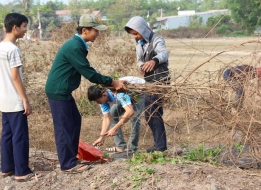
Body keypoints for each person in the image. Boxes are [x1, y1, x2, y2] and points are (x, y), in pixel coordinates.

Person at [45, 14, 126, 173]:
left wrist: (110, 82)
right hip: (58, 91)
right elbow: (89, 74)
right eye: (95, 31)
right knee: (64, 127)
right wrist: (112, 82)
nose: (97, 34)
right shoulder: (75, 47)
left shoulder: (78, 45)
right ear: (85, 30)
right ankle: (67, 165)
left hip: (64, 91)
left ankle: (71, 157)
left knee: (74, 121)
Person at [0, 13, 41, 182]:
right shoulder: (13, 49)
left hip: (3, 99)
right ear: (15, 28)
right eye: (24, 26)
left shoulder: (0, 47)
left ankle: (7, 168)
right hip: (14, 101)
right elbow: (15, 77)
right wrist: (25, 99)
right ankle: (22, 171)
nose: (25, 30)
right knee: (19, 136)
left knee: (7, 134)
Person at [124, 16, 171, 153]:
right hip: (149, 80)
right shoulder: (139, 43)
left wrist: (154, 61)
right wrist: (141, 66)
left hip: (161, 79)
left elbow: (164, 53)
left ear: (142, 29)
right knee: (151, 113)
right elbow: (139, 60)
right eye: (133, 34)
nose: (136, 37)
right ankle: (159, 144)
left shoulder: (157, 39)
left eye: (137, 33)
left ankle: (160, 147)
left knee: (152, 112)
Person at [88, 76, 145, 153]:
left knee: (134, 118)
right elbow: (106, 118)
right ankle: (121, 146)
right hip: (125, 96)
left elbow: (130, 112)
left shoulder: (119, 93)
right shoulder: (102, 97)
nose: (98, 103)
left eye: (98, 101)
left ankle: (132, 148)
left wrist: (115, 128)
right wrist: (102, 137)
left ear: (104, 95)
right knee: (112, 114)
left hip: (137, 93)